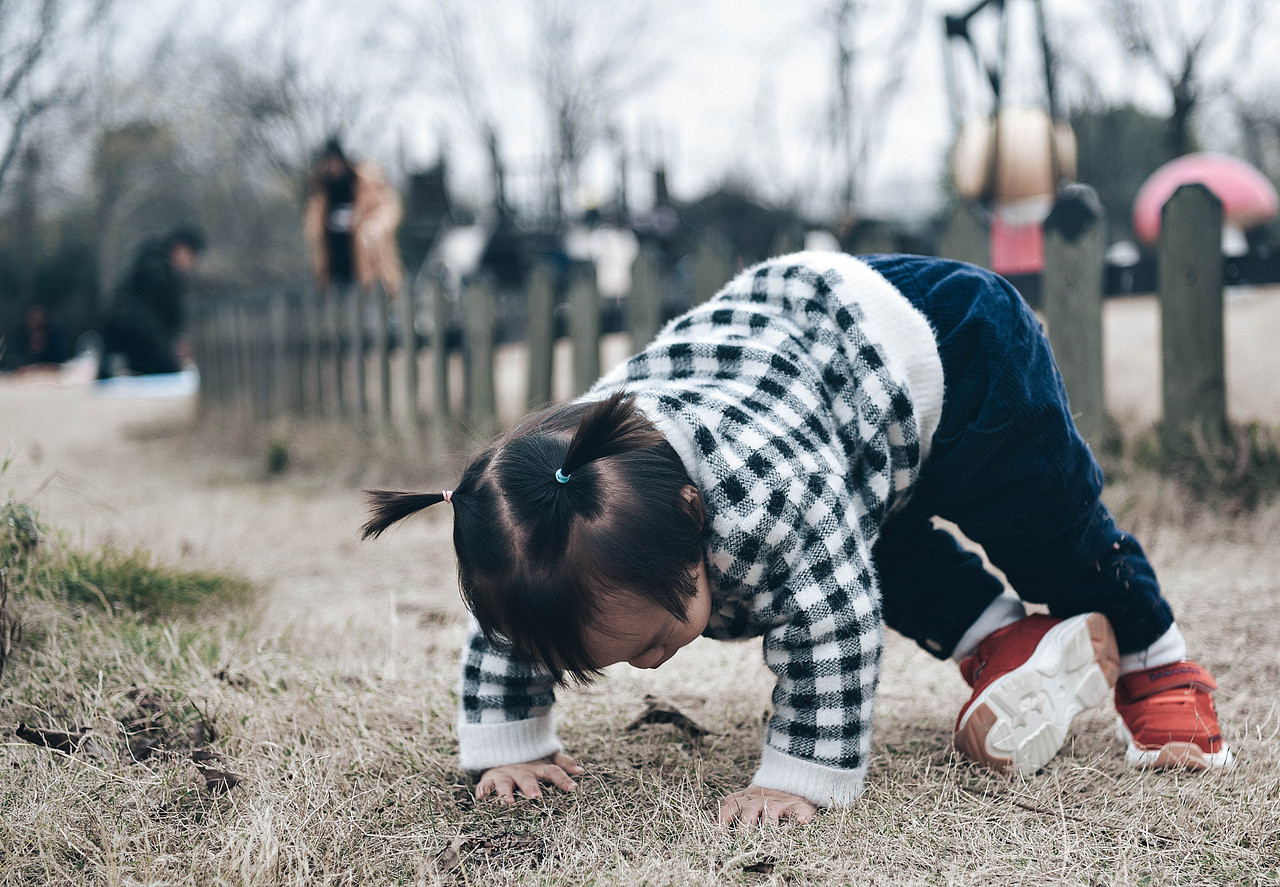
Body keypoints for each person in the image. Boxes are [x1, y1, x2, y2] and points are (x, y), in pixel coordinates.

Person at [361, 252, 1232, 827]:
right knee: (868, 543)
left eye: (661, 633)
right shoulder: (542, 516)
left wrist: (794, 776)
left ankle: (1156, 662)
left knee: (1053, 530)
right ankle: (1007, 640)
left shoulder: (772, 497)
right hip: (818, 387)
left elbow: (834, 628)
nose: (655, 664)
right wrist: (514, 742)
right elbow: (515, 611)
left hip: (956, 353)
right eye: (629, 658)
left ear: (698, 516)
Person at [97, 226, 205, 379]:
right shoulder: (155, 270)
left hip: (139, 343)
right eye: (191, 255)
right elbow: (149, 319)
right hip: (135, 344)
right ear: (180, 249)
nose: (191, 263)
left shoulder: (162, 271)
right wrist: (169, 345)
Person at [303, 137, 405, 296]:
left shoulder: (366, 184)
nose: (333, 167)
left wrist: (372, 227)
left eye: (336, 161)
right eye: (329, 162)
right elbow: (315, 235)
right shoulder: (322, 194)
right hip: (336, 276)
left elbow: (389, 209)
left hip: (371, 274)